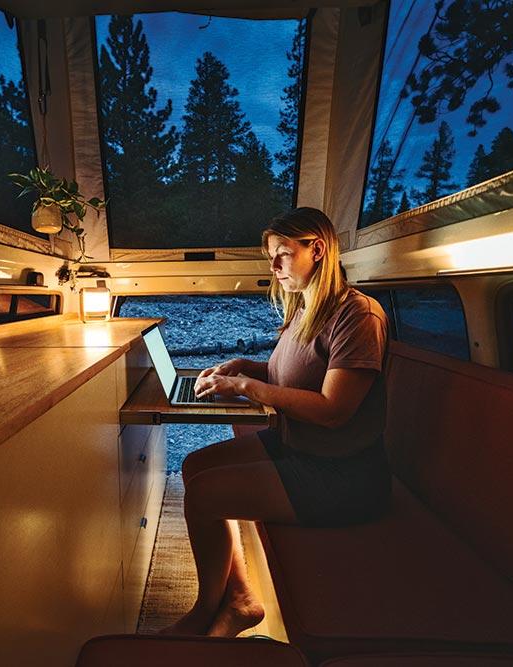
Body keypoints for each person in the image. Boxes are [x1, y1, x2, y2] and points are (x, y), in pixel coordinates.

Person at [161, 207, 391, 638]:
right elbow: (293, 374)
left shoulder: (358, 316)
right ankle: (242, 600)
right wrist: (244, 367)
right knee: (194, 466)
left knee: (206, 496)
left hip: (343, 475)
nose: (273, 266)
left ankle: (206, 611)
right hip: (296, 446)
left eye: (282, 254)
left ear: (317, 249)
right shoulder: (307, 309)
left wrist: (246, 386)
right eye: (271, 255)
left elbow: (332, 409)